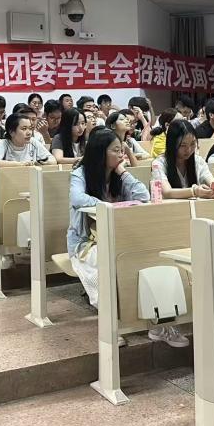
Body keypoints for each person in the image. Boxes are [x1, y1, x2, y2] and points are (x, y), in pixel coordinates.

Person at [66, 128, 163, 344]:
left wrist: (123, 172)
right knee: (107, 263)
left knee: (150, 257)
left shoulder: (119, 176)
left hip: (120, 238)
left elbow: (143, 196)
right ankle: (111, 324)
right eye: (116, 150)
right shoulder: (81, 174)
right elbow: (77, 199)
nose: (121, 155)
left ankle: (158, 321)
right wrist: (107, 206)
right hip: (86, 243)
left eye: (122, 150)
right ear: (101, 152)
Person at [152, 119, 214, 199]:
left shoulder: (198, 161)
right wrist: (194, 191)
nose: (188, 150)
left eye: (193, 143)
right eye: (183, 145)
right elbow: (167, 192)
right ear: (172, 144)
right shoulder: (159, 164)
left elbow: (212, 182)